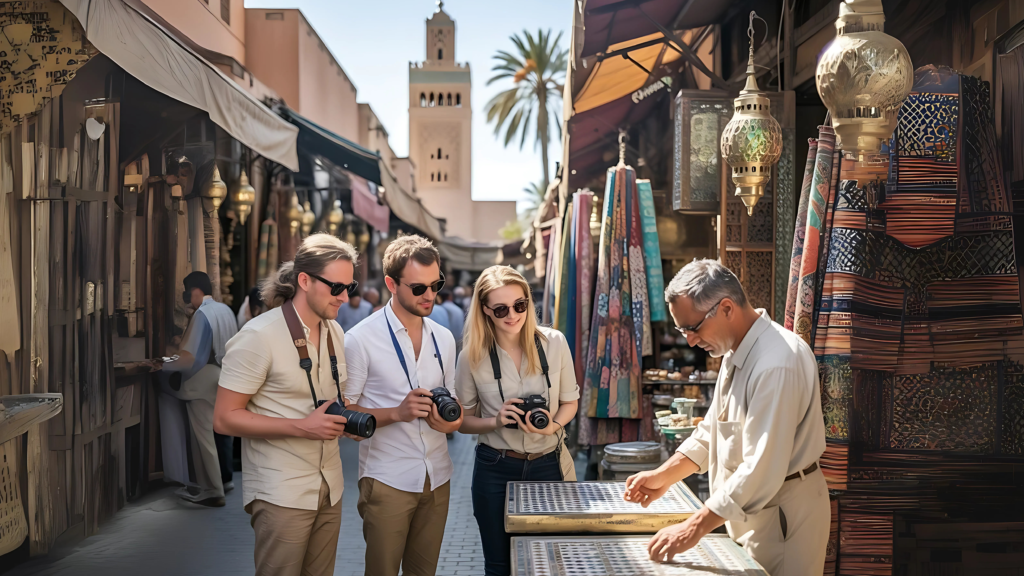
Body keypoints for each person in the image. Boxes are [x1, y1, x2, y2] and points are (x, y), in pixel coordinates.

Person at [622, 259, 828, 575]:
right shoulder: (738, 350)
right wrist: (663, 476)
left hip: (782, 518)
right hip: (755, 513)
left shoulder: (776, 362)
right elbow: (714, 432)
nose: (690, 340)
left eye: (693, 328)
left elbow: (761, 467)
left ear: (727, 309)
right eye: (682, 330)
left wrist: (693, 528)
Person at [215, 234, 365, 576]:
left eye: (349, 286)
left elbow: (335, 401)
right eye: (336, 287)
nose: (344, 296)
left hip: (330, 488)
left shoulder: (336, 332)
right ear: (304, 280)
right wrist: (301, 427)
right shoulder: (258, 336)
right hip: (281, 492)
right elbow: (224, 419)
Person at [343, 234, 462, 576]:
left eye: (435, 285)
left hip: (438, 477)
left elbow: (451, 397)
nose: (429, 295)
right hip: (387, 479)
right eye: (419, 287)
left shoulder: (443, 336)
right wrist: (397, 413)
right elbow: (345, 418)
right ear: (391, 284)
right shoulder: (360, 339)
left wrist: (451, 421)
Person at [455, 265, 579, 576]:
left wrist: (553, 425)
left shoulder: (554, 342)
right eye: (500, 309)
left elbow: (570, 402)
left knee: (551, 564)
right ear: (485, 310)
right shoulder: (471, 356)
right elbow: (463, 421)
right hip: (495, 468)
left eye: (519, 305)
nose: (512, 315)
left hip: (549, 463)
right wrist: (496, 421)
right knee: (498, 566)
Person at [157, 271, 238, 506]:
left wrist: (161, 364)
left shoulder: (202, 314)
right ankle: (218, 483)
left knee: (203, 437)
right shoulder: (225, 311)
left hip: (203, 379)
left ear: (195, 291)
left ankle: (212, 490)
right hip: (225, 375)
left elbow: (189, 358)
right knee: (218, 432)